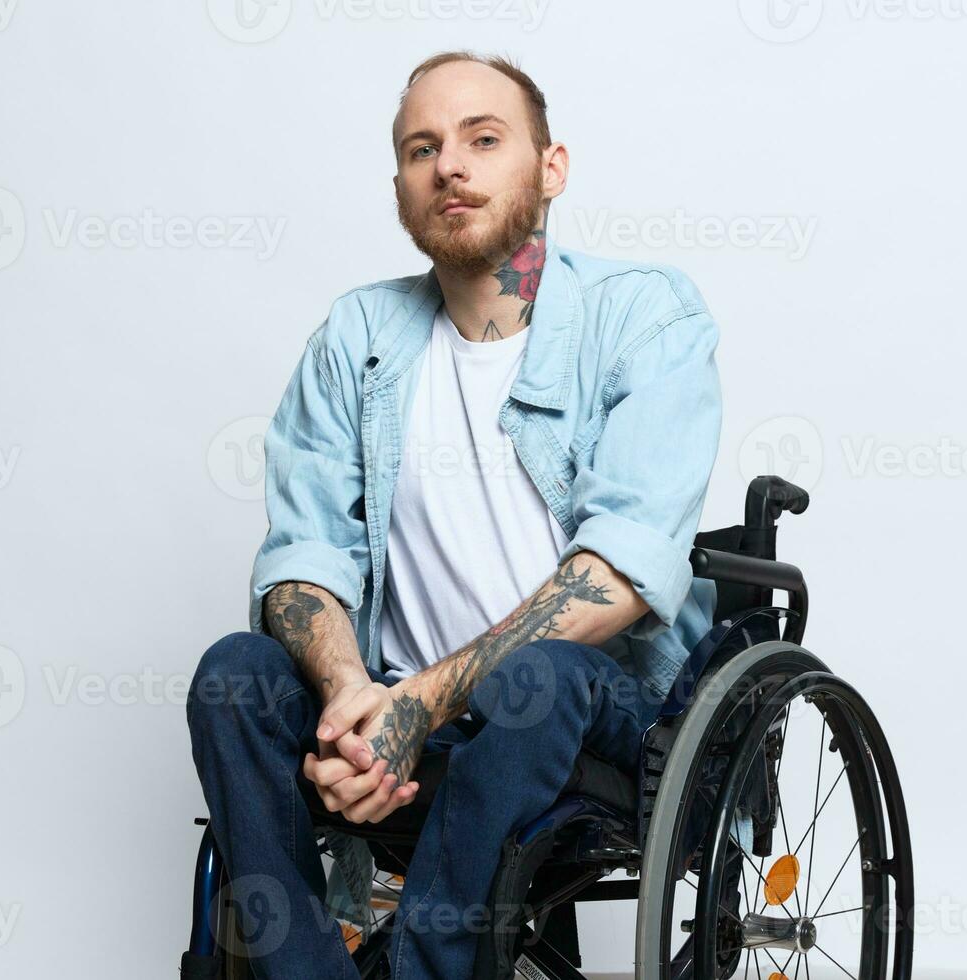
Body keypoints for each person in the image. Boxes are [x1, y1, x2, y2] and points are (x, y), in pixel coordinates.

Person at [186, 49, 724, 980]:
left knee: (542, 677)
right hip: (396, 695)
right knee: (234, 674)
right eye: (422, 147)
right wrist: (358, 694)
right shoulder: (358, 337)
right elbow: (304, 551)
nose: (451, 166)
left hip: (592, 707)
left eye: (483, 138)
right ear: (400, 184)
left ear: (549, 168)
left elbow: (619, 570)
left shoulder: (646, 316)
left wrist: (416, 706)